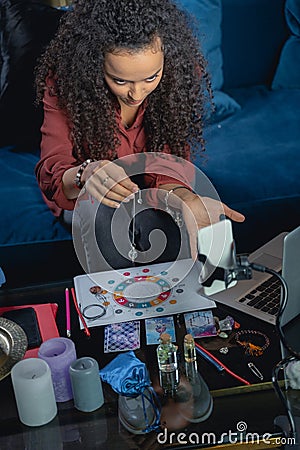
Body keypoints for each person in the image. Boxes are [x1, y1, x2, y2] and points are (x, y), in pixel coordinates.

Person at [35, 0, 245, 273]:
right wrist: (85, 175)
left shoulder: (177, 76)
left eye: (150, 77)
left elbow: (168, 165)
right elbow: (54, 168)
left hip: (152, 187)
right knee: (107, 213)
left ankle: (220, 303)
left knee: (198, 214)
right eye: (120, 81)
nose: (137, 93)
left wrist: (183, 198)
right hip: (84, 197)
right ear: (94, 65)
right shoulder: (66, 83)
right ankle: (120, 308)